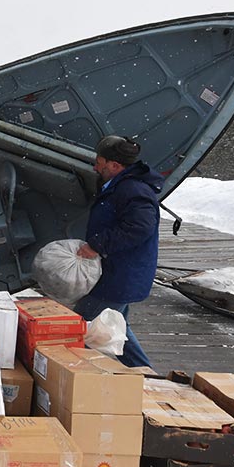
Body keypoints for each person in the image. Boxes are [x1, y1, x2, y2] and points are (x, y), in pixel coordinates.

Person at [74, 135, 164, 367]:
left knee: (78, 326)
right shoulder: (122, 187)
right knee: (118, 331)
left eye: (99, 163)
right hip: (120, 273)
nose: (95, 168)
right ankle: (146, 375)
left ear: (114, 165)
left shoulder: (132, 190)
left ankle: (74, 376)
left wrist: (97, 245)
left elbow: (140, 227)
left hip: (120, 276)